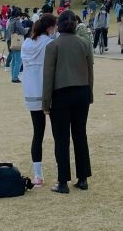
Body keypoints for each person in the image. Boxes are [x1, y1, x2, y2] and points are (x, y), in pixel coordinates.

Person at [42, 10, 94, 194]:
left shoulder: (53, 46)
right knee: (80, 135)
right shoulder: (84, 44)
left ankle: (63, 182)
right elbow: (90, 71)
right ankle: (83, 178)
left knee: (61, 139)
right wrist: (90, 94)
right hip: (82, 92)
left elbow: (48, 76)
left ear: (59, 25)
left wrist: (45, 103)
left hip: (60, 95)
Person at [22, 13, 57, 186]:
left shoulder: (26, 44)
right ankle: (61, 170)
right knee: (59, 133)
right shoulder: (50, 43)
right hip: (48, 91)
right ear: (50, 27)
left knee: (38, 133)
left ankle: (38, 174)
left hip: (31, 91)